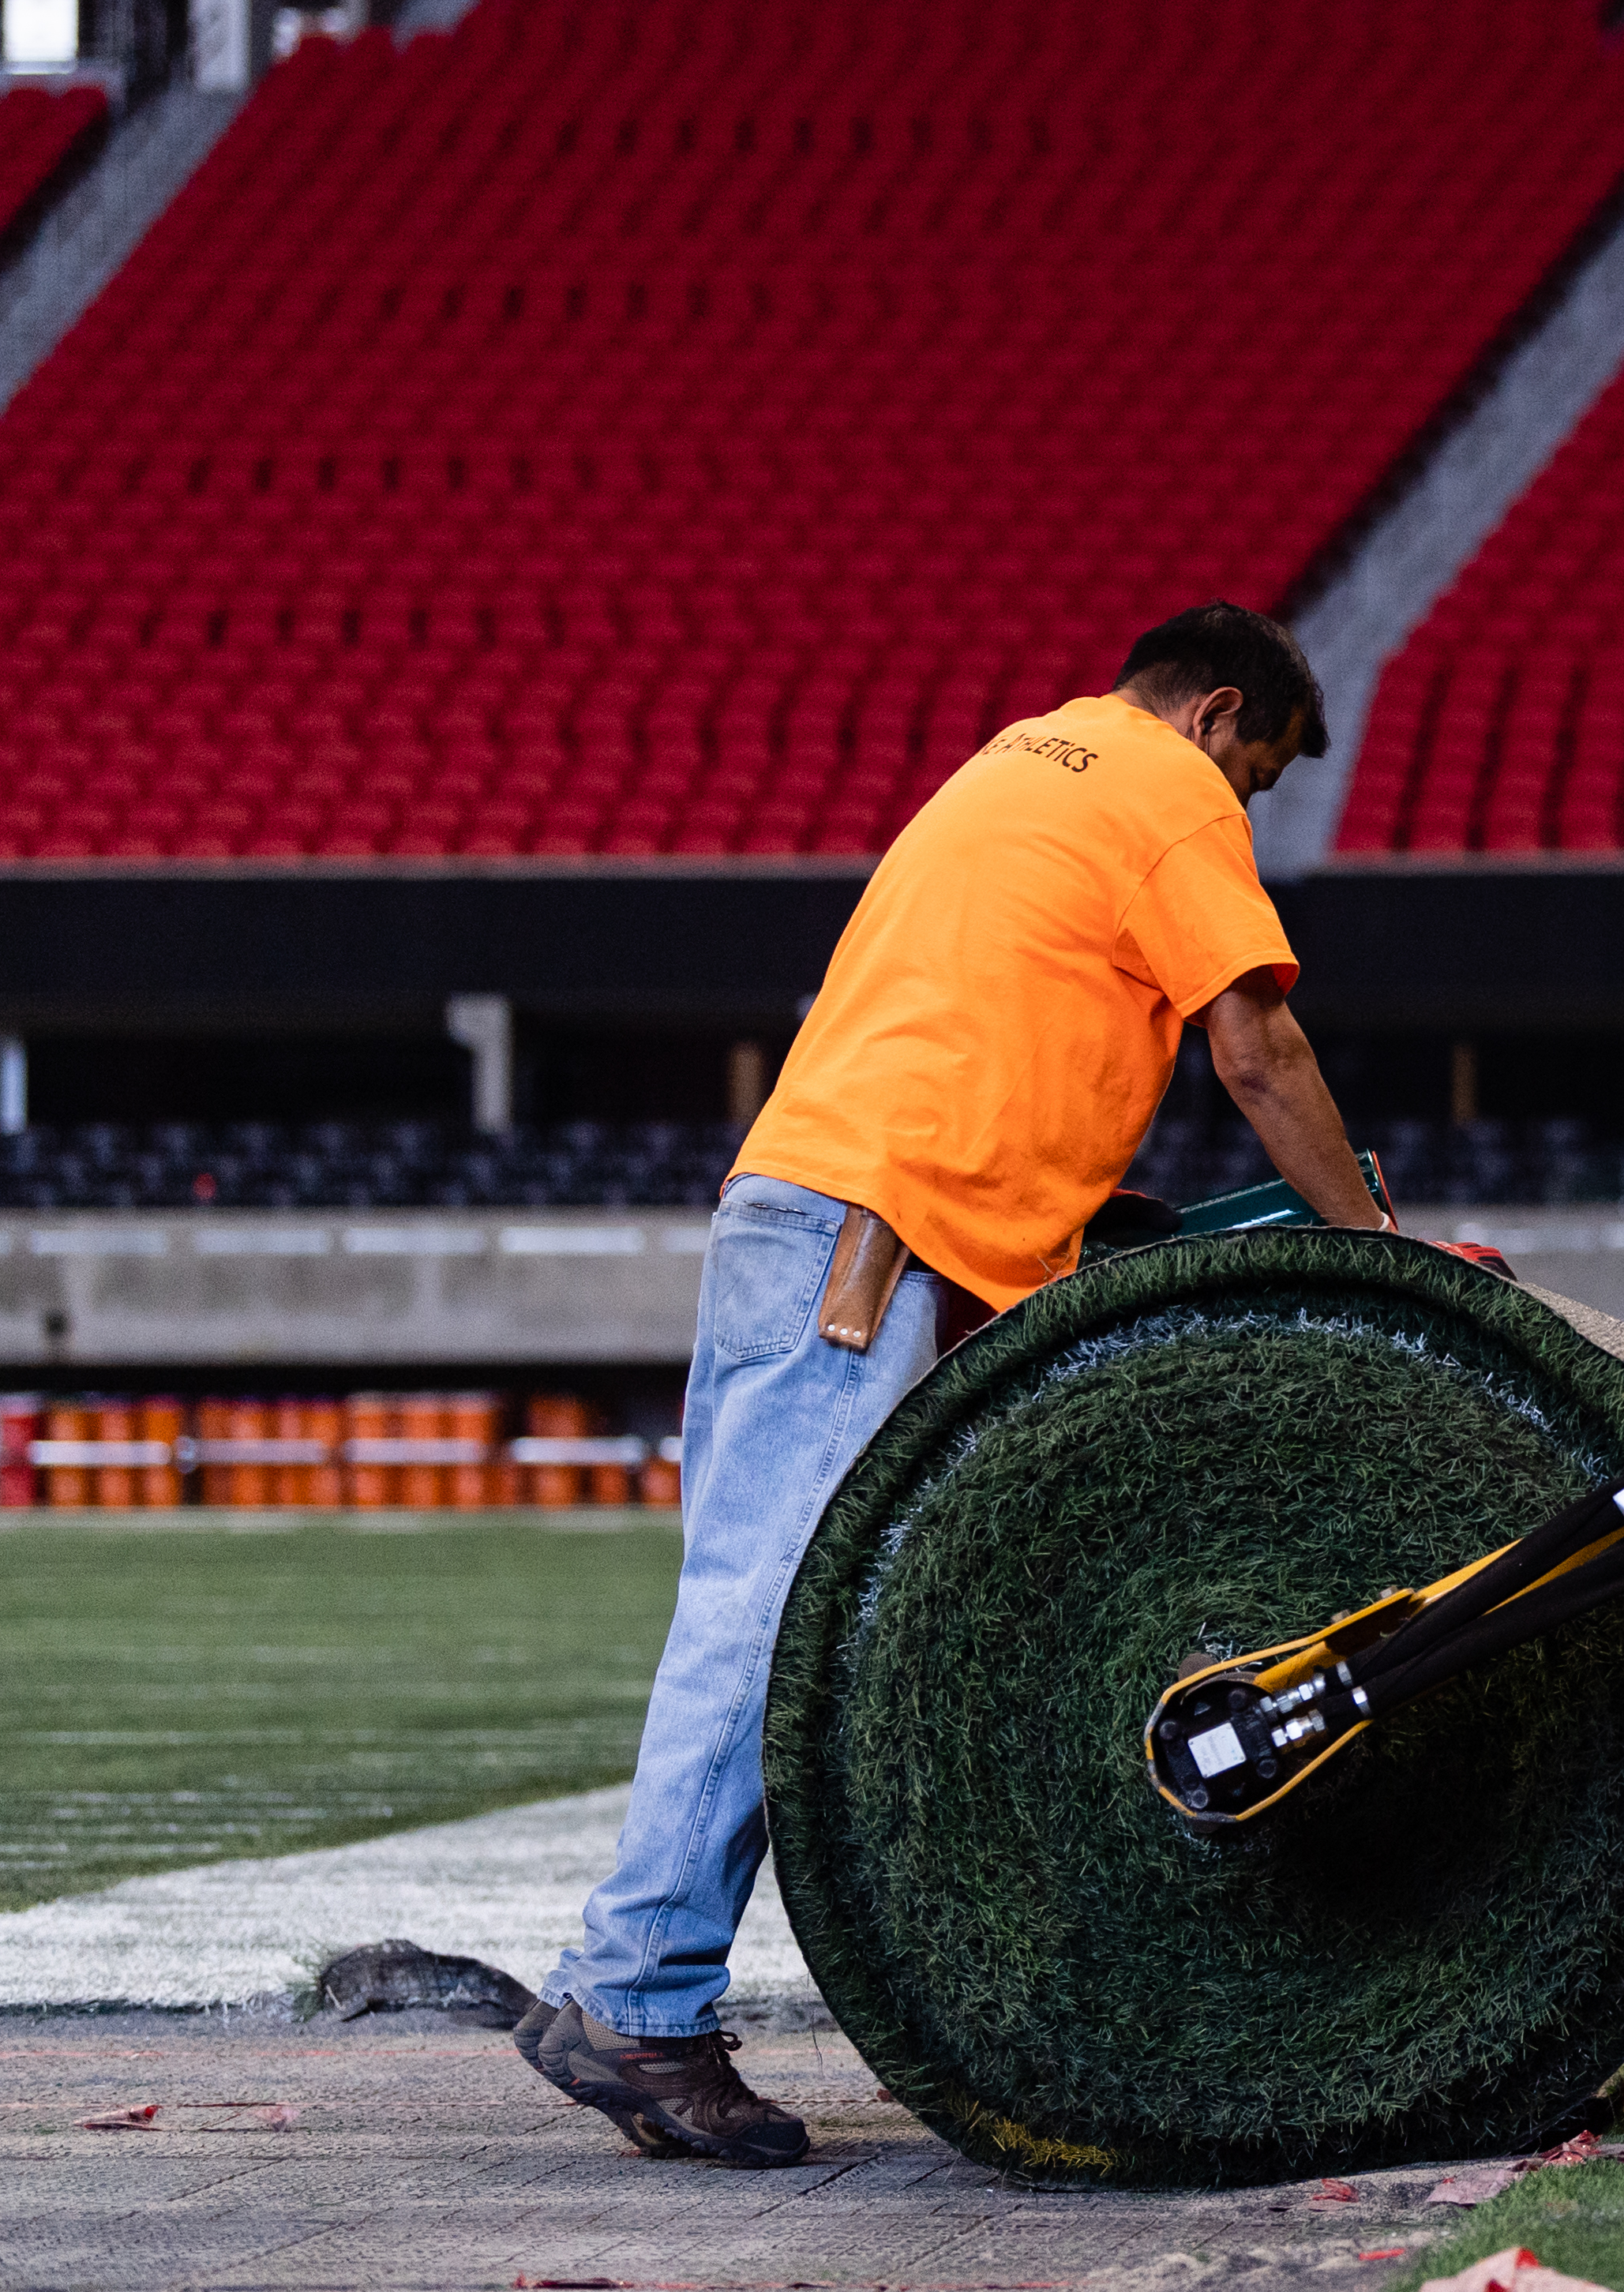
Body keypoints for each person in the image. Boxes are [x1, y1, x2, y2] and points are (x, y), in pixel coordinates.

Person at [520, 602, 1394, 2164]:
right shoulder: (1163, 784)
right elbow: (1256, 1047)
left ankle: (643, 1989)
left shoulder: (1023, 757)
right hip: (863, 1237)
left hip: (840, 1211)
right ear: (1217, 716)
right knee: (777, 1607)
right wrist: (1376, 1243)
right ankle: (635, 1996)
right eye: (1257, 778)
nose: (1243, 814)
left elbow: (1001, 1027)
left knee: (786, 1602)